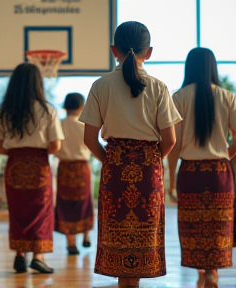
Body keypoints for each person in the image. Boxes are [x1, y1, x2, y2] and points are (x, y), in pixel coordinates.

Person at [79, 21, 182, 288]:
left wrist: (112, 161)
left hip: (115, 169)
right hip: (149, 171)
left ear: (114, 49)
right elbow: (170, 139)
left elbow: (90, 139)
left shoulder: (100, 85)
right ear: (148, 53)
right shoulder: (159, 87)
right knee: (144, 234)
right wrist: (150, 161)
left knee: (118, 234)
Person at [168, 47, 236, 288]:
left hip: (190, 172)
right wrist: (223, 158)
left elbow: (173, 146)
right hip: (219, 172)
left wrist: (171, 180)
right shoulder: (227, 97)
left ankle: (201, 268)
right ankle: (211, 272)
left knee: (194, 223)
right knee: (218, 224)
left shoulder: (179, 97)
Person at [0, 63, 64, 274]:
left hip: (15, 165)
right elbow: (56, 145)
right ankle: (38, 256)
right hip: (39, 165)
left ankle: (19, 255)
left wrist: (16, 155)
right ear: (37, 83)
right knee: (40, 211)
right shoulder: (48, 110)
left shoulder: (4, 111)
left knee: (17, 211)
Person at [54, 93, 94, 255]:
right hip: (81, 168)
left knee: (66, 204)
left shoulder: (58, 125)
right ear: (81, 107)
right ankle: (85, 235)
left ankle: (71, 243)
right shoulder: (84, 126)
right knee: (84, 202)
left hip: (64, 167)